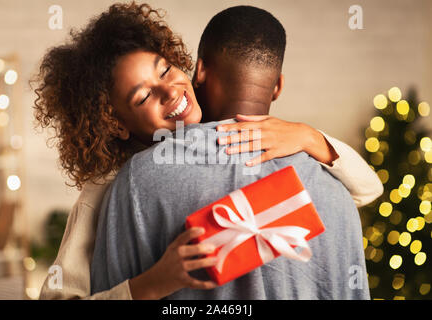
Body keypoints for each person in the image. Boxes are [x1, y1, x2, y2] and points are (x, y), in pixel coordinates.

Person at [36, 2, 381, 300]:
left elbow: (368, 188)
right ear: (116, 124)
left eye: (166, 70)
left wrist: (309, 137)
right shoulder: (106, 188)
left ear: (192, 69)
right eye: (142, 97)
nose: (169, 92)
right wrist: (151, 284)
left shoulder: (241, 139)